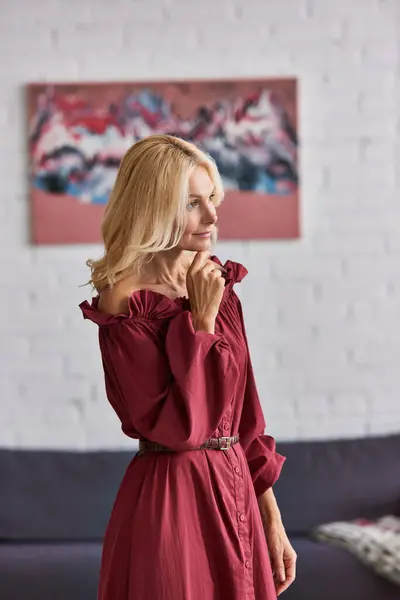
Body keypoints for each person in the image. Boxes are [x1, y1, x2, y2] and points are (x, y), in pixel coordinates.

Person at [79, 134, 296, 599]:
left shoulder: (216, 281)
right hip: (173, 496)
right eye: (193, 203)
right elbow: (180, 429)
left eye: (212, 198)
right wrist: (199, 322)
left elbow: (247, 416)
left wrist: (271, 518)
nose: (213, 216)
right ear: (154, 208)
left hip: (236, 485)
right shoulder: (124, 303)